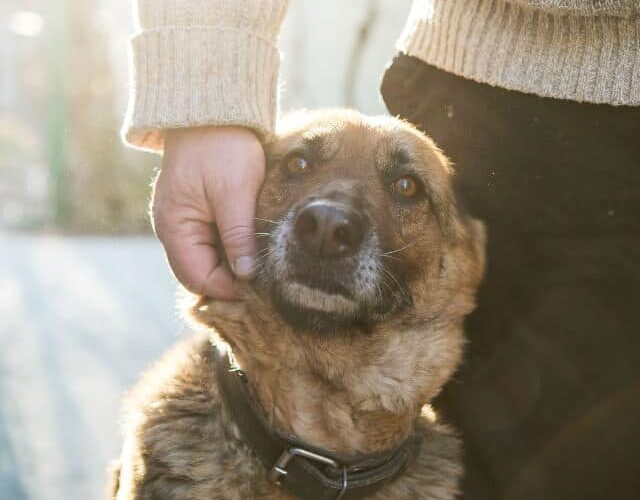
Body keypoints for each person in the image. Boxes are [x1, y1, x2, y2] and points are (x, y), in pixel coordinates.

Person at [123, 1, 640, 498]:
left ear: (465, 256)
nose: (330, 220)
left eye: (405, 188)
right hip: (479, 95)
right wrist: (206, 103)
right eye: (299, 166)